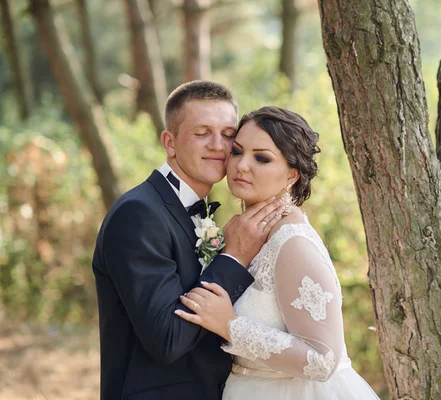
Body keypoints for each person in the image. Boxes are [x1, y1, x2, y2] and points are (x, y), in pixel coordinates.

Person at [92, 81, 284, 400]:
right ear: (170, 142)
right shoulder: (139, 214)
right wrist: (233, 258)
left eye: (227, 134)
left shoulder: (196, 210)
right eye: (202, 133)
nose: (218, 146)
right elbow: (167, 340)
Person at [176, 106, 380, 399]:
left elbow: (323, 361)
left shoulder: (292, 242)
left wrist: (230, 326)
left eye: (261, 158)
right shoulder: (243, 233)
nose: (242, 165)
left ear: (291, 175)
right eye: (237, 152)